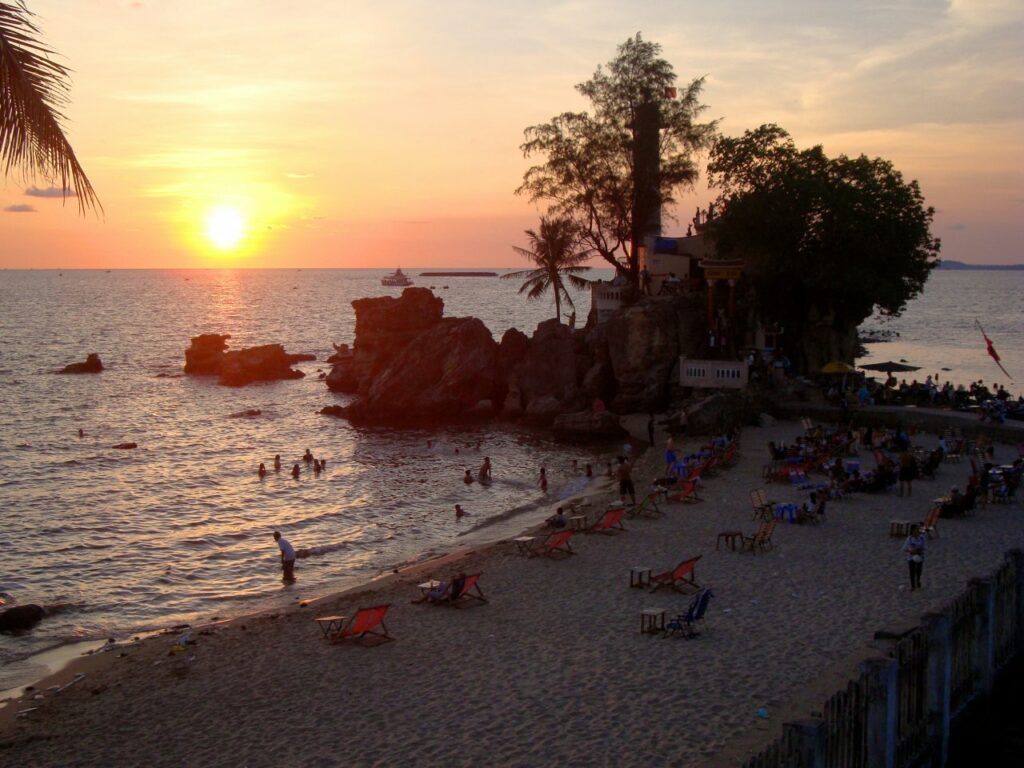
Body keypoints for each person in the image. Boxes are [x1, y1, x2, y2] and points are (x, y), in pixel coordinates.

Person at [902, 524, 925, 590]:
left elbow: (925, 547)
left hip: (920, 557)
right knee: (912, 571)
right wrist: (911, 551)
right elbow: (904, 548)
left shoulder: (922, 538)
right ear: (912, 530)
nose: (918, 531)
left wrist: (919, 550)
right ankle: (913, 586)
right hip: (911, 557)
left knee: (919, 571)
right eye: (916, 529)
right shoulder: (909, 538)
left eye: (919, 529)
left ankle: (917, 581)